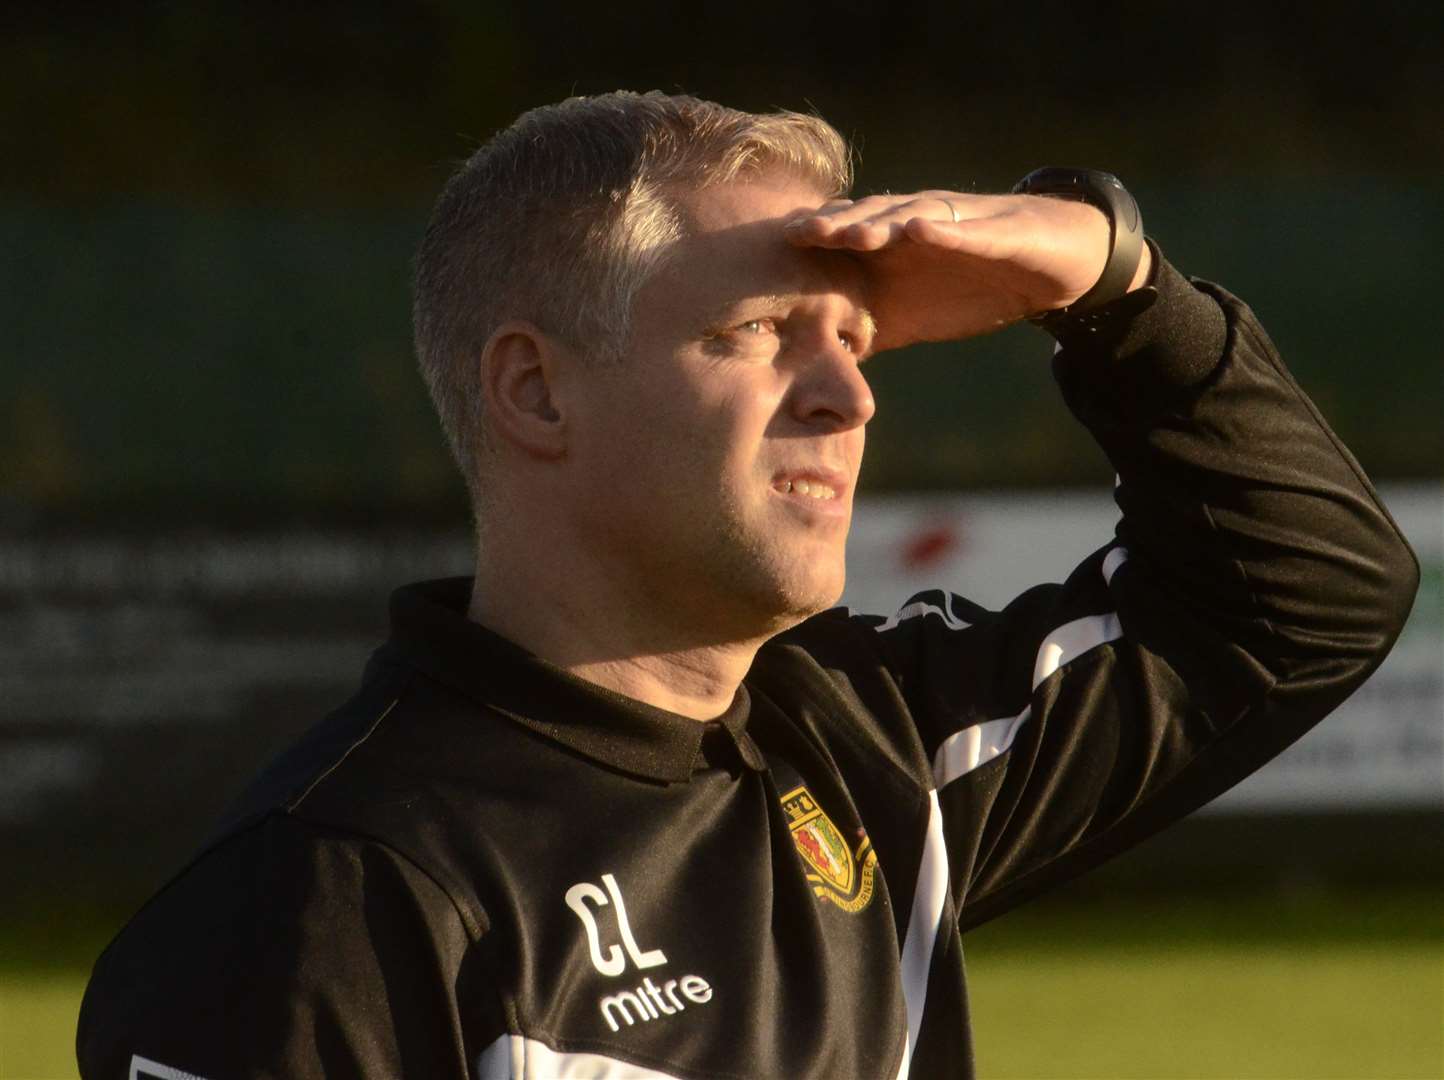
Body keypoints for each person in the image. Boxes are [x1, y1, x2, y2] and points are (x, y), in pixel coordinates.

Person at [77, 91, 1417, 1079]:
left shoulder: (874, 752)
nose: (847, 396)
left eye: (857, 340)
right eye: (759, 334)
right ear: (535, 391)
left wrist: (1119, 291)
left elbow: (1307, 598)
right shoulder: (331, 897)